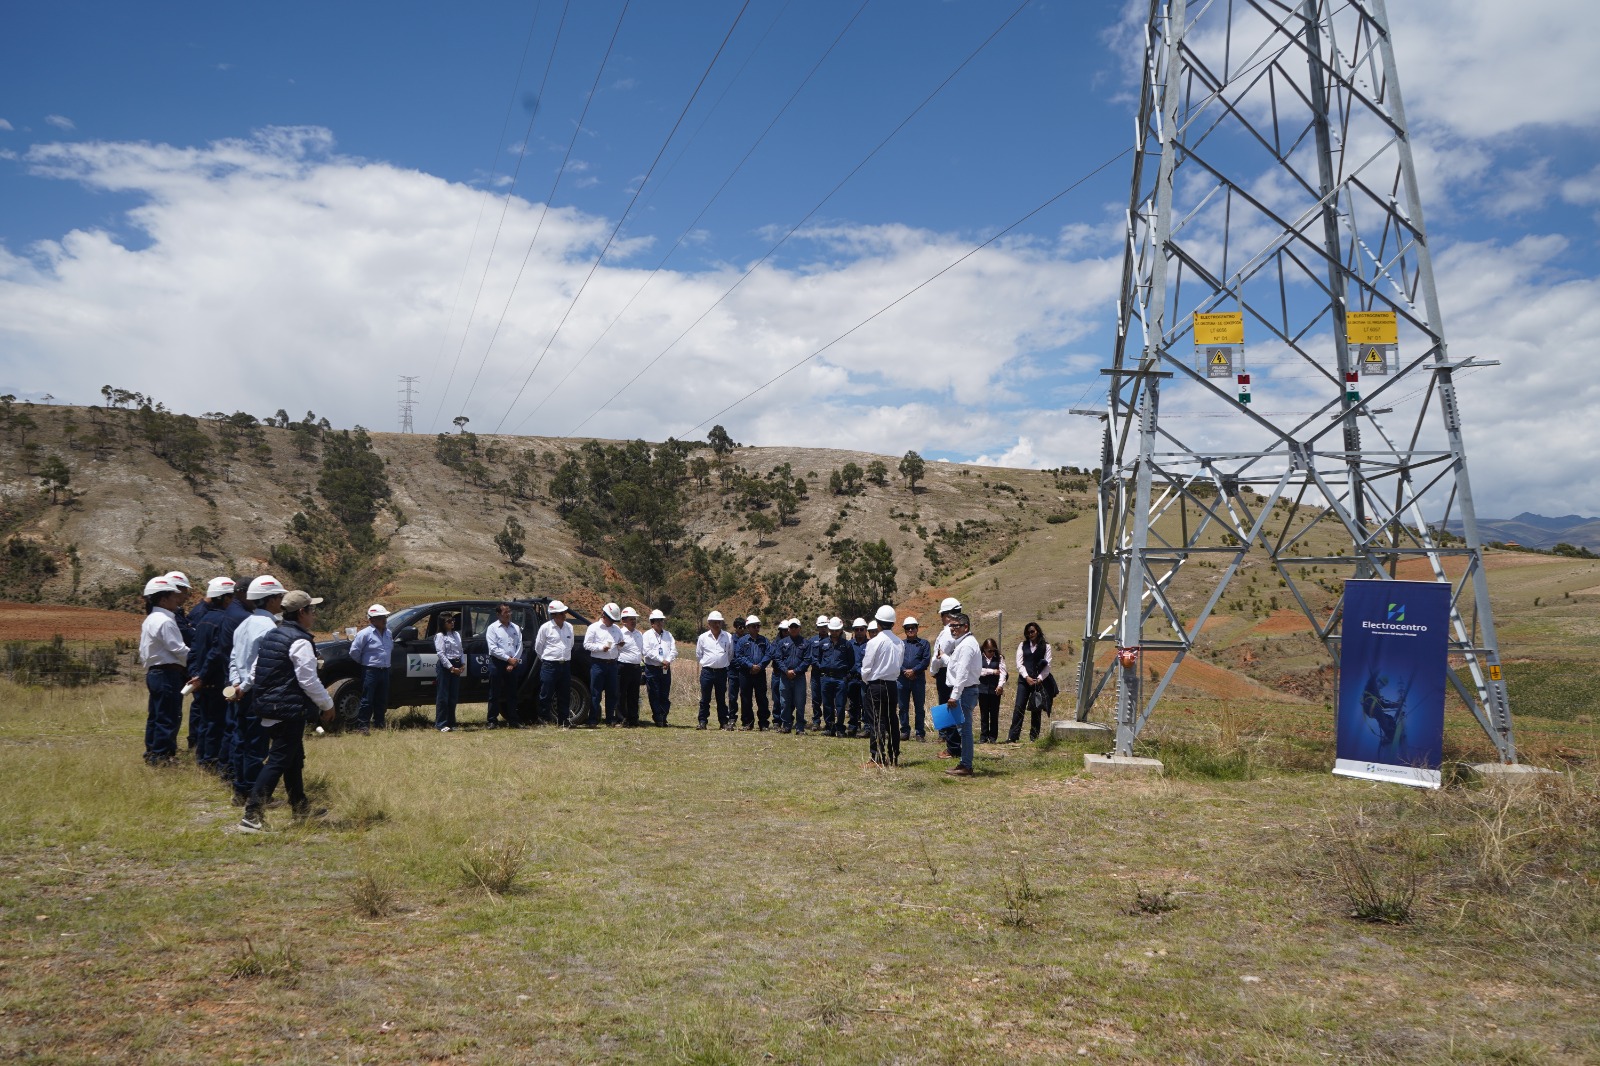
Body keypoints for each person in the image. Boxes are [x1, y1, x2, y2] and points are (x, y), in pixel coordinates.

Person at [238, 590, 334, 833]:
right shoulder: (300, 641)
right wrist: (327, 704)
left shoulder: (274, 634)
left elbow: (256, 668)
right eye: (312, 610)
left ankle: (300, 807)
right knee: (279, 760)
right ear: (302, 612)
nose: (314, 615)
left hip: (270, 705)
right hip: (287, 709)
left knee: (293, 759)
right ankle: (252, 814)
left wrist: (243, 688)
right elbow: (308, 680)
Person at [227, 575, 287, 805]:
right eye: (279, 596)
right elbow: (260, 663)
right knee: (256, 745)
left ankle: (240, 790)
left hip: (240, 690)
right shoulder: (269, 627)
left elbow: (234, 658)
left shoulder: (244, 624)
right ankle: (256, 794)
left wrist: (235, 684)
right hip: (256, 692)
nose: (281, 601)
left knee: (241, 741)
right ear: (270, 600)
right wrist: (245, 686)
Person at [185, 577, 237, 771]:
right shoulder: (224, 621)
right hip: (215, 679)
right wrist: (204, 675)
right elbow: (216, 653)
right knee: (217, 722)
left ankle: (202, 757)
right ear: (224, 599)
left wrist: (195, 675)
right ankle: (210, 760)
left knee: (206, 721)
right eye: (231, 597)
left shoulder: (203, 619)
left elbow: (194, 650)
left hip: (202, 680)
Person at [138, 576, 189, 766]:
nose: (177, 599)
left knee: (157, 715)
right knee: (168, 716)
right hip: (168, 673)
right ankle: (162, 757)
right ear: (163, 599)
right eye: (173, 596)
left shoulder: (151, 619)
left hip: (155, 673)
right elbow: (178, 649)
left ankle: (152, 752)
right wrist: (195, 660)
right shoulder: (165, 621)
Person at [860, 605, 906, 766]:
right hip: (892, 685)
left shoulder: (875, 642)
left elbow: (866, 667)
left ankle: (877, 757)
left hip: (876, 686)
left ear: (878, 623)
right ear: (893, 623)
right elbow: (899, 664)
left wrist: (867, 681)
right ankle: (894, 756)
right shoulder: (900, 642)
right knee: (892, 720)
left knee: (877, 721)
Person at [942, 613, 981, 777]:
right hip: (964, 691)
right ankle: (964, 762)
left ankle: (966, 765)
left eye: (956, 626)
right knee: (962, 728)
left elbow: (963, 673)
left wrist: (954, 695)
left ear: (966, 627)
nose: (952, 629)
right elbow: (956, 666)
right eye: (951, 626)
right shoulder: (964, 643)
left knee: (965, 730)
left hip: (964, 691)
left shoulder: (966, 646)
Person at [1008, 621, 1057, 742]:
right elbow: (1019, 663)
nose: (1030, 634)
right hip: (1024, 681)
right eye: (1028, 632)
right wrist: (1026, 677)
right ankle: (1013, 737)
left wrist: (1039, 678)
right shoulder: (1022, 645)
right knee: (1019, 706)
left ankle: (1034, 737)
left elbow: (1048, 665)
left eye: (1032, 631)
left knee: (1036, 708)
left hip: (1039, 681)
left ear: (1038, 631)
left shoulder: (1046, 646)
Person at [349, 604, 394, 734]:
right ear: (372, 620)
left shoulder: (388, 633)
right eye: (380, 618)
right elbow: (354, 652)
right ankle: (363, 725)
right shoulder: (365, 634)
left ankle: (379, 723)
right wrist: (365, 663)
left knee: (382, 698)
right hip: (371, 671)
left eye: (384, 617)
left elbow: (390, 648)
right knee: (367, 699)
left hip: (385, 670)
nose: (384, 620)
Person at [583, 602, 624, 727]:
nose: (612, 622)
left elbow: (620, 643)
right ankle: (593, 719)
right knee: (596, 693)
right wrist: (601, 648)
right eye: (611, 619)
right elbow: (587, 645)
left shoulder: (616, 629)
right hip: (598, 664)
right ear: (604, 615)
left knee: (612, 693)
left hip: (612, 664)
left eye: (614, 620)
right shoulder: (594, 628)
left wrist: (620, 646)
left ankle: (610, 719)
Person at [535, 601, 575, 726]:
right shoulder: (546, 628)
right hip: (550, 665)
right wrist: (548, 659)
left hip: (565, 664)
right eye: (562, 613)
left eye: (564, 612)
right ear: (555, 615)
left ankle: (563, 720)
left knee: (564, 693)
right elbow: (538, 647)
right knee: (546, 693)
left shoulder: (569, 627)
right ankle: (543, 718)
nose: (565, 615)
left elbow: (571, 644)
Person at [485, 602, 524, 728]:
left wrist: (513, 662)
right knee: (494, 693)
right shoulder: (492, 628)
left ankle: (513, 720)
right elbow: (493, 648)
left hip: (513, 663)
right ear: (498, 614)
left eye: (509, 611)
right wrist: (508, 659)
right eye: (505, 612)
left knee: (512, 693)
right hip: (497, 662)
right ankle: (492, 720)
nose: (508, 614)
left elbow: (520, 646)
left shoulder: (516, 628)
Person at [695, 610, 734, 730]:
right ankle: (702, 722)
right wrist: (708, 663)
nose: (717, 624)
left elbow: (730, 654)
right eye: (714, 622)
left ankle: (723, 722)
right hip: (707, 672)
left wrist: (721, 663)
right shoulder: (703, 637)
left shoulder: (728, 636)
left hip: (722, 672)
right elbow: (698, 654)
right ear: (709, 624)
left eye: (719, 622)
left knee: (721, 699)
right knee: (705, 699)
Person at [816, 617, 852, 737]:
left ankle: (840, 728)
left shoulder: (846, 645)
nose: (835, 632)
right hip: (826, 678)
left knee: (841, 705)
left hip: (840, 679)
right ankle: (829, 727)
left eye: (837, 630)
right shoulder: (823, 643)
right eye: (832, 630)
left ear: (841, 630)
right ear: (829, 629)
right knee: (827, 704)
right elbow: (818, 659)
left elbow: (851, 662)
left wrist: (846, 676)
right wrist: (822, 669)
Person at [734, 615, 771, 730]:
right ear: (748, 627)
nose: (756, 628)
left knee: (762, 698)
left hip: (760, 673)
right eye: (754, 626)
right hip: (745, 674)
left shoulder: (764, 640)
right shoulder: (742, 641)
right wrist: (750, 666)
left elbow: (769, 654)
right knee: (745, 698)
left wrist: (760, 666)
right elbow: (738, 656)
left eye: (758, 626)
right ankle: (747, 723)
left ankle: (764, 723)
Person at [772, 619, 808, 734]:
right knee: (784, 702)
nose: (793, 629)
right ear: (788, 629)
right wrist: (786, 671)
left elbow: (807, 660)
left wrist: (795, 671)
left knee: (800, 702)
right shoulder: (782, 643)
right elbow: (778, 658)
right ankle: (786, 725)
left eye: (795, 627)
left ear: (799, 628)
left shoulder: (805, 643)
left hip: (799, 677)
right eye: (791, 627)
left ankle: (800, 727)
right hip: (785, 677)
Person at [897, 616, 930, 742]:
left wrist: (914, 670)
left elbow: (925, 660)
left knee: (919, 707)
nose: (910, 630)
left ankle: (919, 733)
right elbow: (896, 660)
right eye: (908, 628)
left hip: (918, 679)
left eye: (913, 627)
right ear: (905, 630)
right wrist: (905, 671)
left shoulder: (924, 644)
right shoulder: (900, 644)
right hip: (902, 679)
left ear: (917, 628)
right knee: (903, 707)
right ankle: (905, 731)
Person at [641, 609, 676, 726]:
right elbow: (646, 651)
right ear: (652, 623)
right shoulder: (647, 635)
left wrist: (668, 660)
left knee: (664, 694)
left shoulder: (668, 635)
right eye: (658, 621)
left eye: (662, 620)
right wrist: (662, 660)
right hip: (652, 668)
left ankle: (663, 716)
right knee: (654, 693)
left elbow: (674, 650)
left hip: (666, 669)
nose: (660, 623)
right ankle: (657, 717)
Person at [928, 596, 963, 705]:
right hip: (957, 672)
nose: (941, 618)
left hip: (946, 674)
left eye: (942, 615)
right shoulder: (962, 630)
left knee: (946, 706)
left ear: (947, 615)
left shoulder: (948, 632)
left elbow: (939, 656)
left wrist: (933, 671)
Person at [433, 611, 464, 732]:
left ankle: (451, 722)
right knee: (443, 696)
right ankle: (441, 723)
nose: (452, 623)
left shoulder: (456, 634)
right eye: (449, 621)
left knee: (453, 696)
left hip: (457, 664)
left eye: (453, 621)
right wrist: (451, 667)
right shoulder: (440, 636)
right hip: (446, 666)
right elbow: (441, 654)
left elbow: (460, 650)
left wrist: (462, 663)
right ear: (443, 623)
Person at [616, 607, 645, 727]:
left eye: (635, 619)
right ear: (624, 621)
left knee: (634, 694)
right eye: (631, 619)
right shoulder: (619, 633)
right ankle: (621, 719)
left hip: (636, 668)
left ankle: (633, 718)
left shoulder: (639, 634)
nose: (634, 621)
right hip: (623, 666)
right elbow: (614, 649)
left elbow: (641, 650)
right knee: (621, 694)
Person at [977, 638, 1008, 744]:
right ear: (984, 649)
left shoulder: (999, 658)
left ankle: (993, 737)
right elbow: (977, 671)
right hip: (982, 689)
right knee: (984, 713)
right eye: (989, 651)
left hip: (995, 690)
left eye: (993, 650)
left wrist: (1000, 686)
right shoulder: (978, 657)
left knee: (994, 714)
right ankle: (983, 736)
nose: (992, 653)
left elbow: (1003, 672)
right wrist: (992, 671)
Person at [845, 618, 871, 737]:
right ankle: (853, 726)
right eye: (857, 629)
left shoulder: (871, 644)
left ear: (866, 630)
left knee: (865, 704)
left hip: (864, 679)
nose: (859, 631)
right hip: (852, 678)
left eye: (862, 629)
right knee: (853, 704)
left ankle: (867, 728)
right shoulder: (849, 644)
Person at [806, 615, 829, 730]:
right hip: (815, 673)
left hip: (827, 674)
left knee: (827, 699)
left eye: (825, 626)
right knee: (815, 698)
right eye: (821, 627)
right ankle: (816, 721)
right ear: (817, 627)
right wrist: (817, 664)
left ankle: (829, 722)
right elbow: (809, 656)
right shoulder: (812, 640)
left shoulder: (832, 640)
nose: (823, 629)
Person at [726, 616, 747, 719]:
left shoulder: (748, 639)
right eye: (740, 627)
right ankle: (732, 717)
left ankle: (745, 719)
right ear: (735, 627)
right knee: (732, 696)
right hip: (733, 671)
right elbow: (729, 655)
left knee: (745, 696)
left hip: (745, 672)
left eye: (744, 627)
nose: (742, 629)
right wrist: (739, 663)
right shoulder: (730, 639)